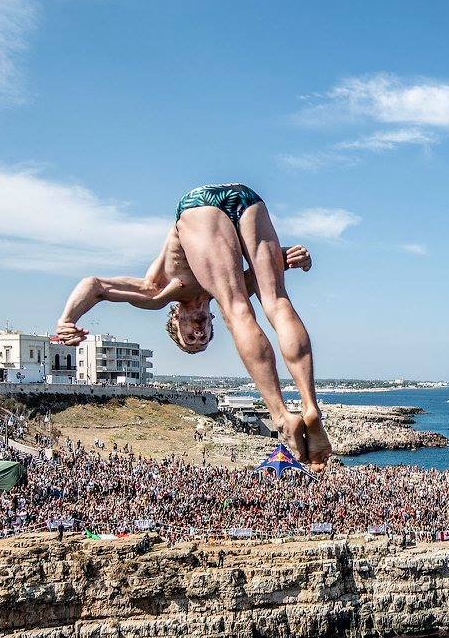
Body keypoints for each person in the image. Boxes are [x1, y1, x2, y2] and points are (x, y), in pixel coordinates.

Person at [53, 183, 333, 467]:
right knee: (277, 301)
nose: (198, 334)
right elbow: (274, 264)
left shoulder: (159, 292)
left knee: (238, 311)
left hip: (199, 207)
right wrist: (294, 258)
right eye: (203, 338)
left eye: (190, 338)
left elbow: (95, 285)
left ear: (175, 319)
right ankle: (311, 407)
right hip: (245, 198)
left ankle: (281, 417)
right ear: (211, 325)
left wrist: (67, 319)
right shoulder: (226, 287)